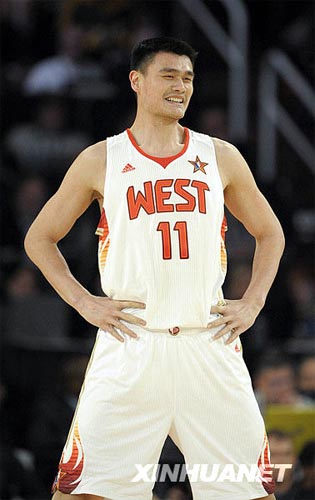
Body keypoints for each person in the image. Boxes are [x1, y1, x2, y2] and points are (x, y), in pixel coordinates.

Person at [24, 37, 285, 500]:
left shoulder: (219, 155)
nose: (180, 86)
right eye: (169, 75)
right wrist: (85, 303)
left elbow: (271, 233)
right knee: (82, 492)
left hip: (208, 340)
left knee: (249, 491)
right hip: (131, 341)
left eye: (187, 77)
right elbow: (39, 238)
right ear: (136, 81)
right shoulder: (100, 158)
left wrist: (254, 301)